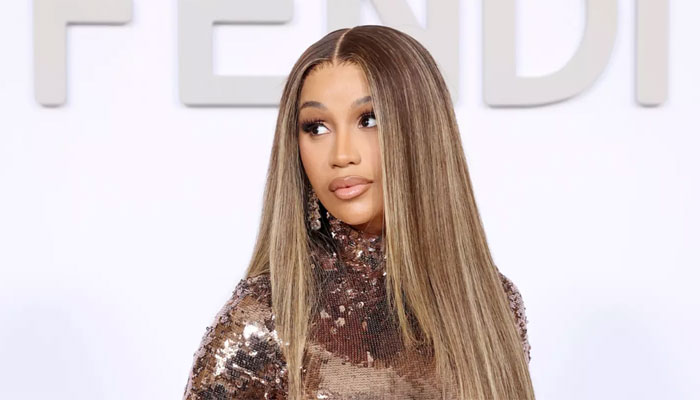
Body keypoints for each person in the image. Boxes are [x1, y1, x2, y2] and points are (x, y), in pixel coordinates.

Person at [182, 25, 534, 400]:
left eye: (368, 120)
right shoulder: (265, 316)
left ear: (420, 131)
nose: (341, 155)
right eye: (317, 128)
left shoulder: (492, 304)